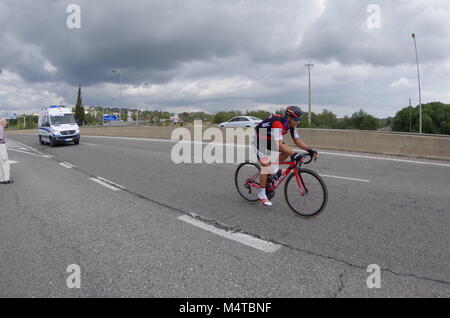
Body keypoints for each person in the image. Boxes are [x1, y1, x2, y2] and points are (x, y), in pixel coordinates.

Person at [253, 106, 317, 206]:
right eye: (296, 119)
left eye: (299, 119)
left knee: (286, 151)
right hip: (258, 139)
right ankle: (262, 193)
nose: (298, 122)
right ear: (289, 118)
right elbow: (278, 144)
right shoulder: (278, 123)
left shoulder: (292, 125)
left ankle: (272, 171)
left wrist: (310, 150)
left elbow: (297, 140)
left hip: (268, 139)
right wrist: (295, 154)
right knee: (265, 166)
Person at [0, 117, 13, 184]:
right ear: (1, 122)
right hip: (1, 146)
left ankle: (1, 179)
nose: (6, 122)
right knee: (5, 163)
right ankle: (6, 179)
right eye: (5, 121)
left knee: (1, 163)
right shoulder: (1, 128)